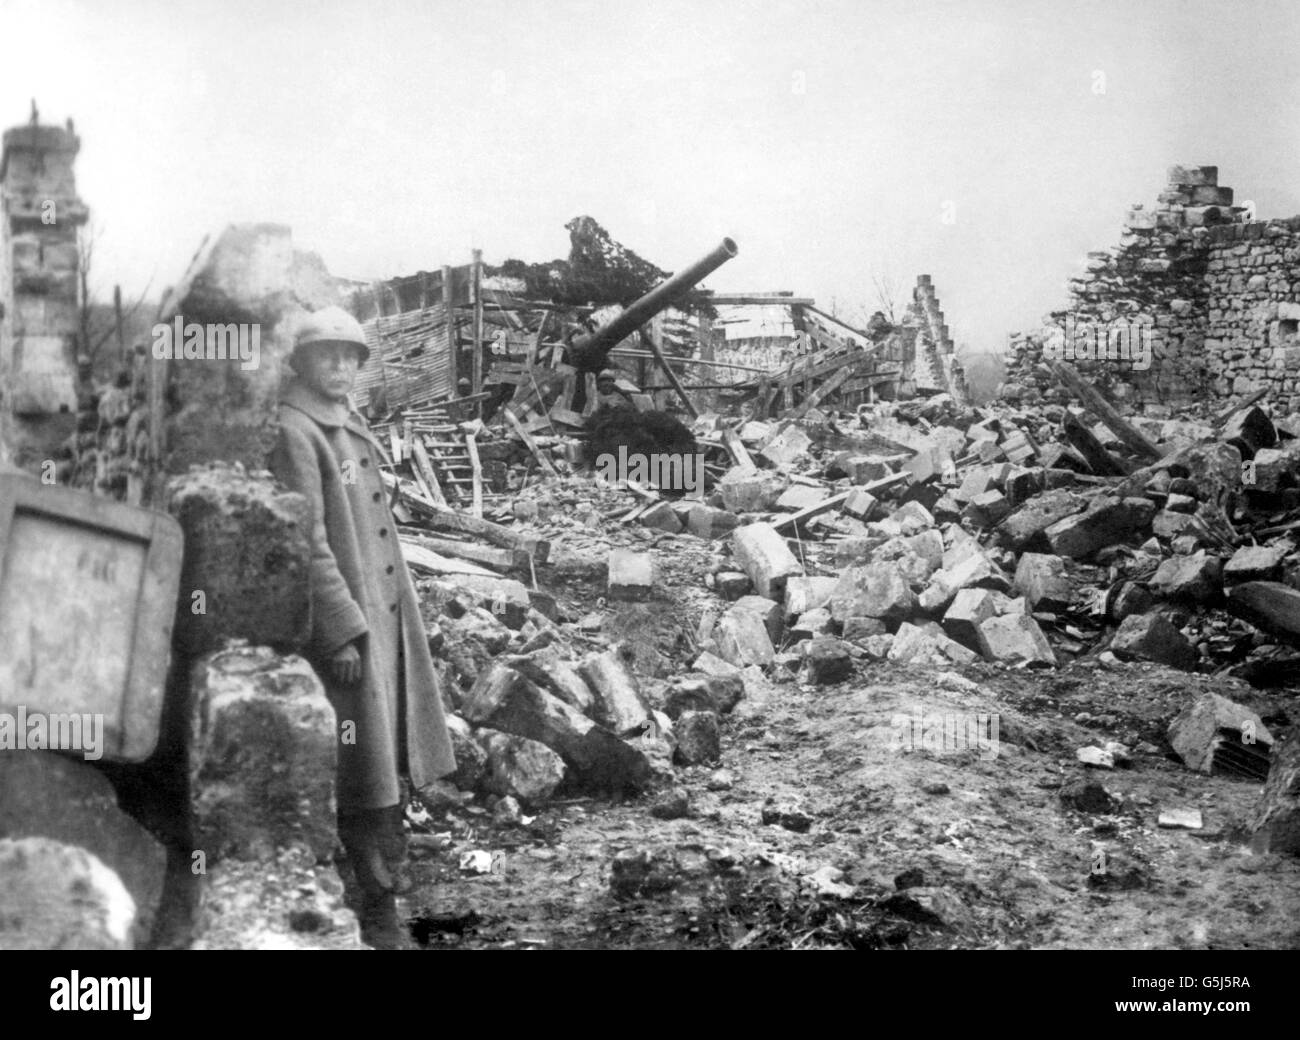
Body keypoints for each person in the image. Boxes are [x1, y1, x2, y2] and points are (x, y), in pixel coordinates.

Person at [268, 306, 456, 949]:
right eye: (328, 355)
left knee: (386, 760)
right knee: (363, 766)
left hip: (386, 609)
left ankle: (383, 890)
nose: (342, 368)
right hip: (354, 624)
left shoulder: (346, 424)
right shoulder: (297, 430)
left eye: (351, 357)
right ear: (301, 361)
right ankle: (375, 910)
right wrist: (341, 630)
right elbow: (306, 537)